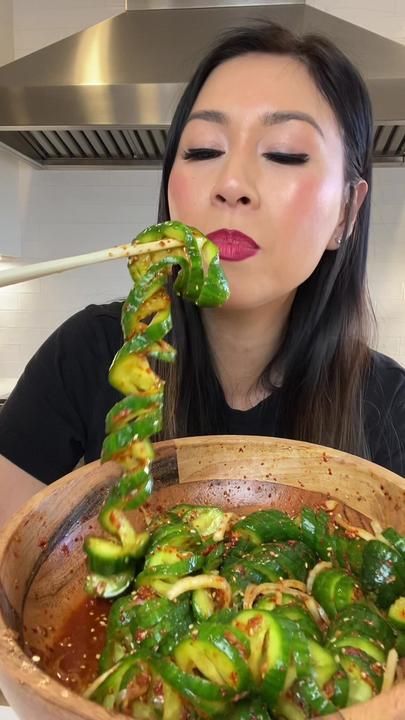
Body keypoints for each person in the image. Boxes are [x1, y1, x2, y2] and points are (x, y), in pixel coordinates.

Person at [1, 21, 404, 528]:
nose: (232, 183)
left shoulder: (392, 405)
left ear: (346, 212)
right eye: (202, 150)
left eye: (284, 153)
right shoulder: (86, 355)